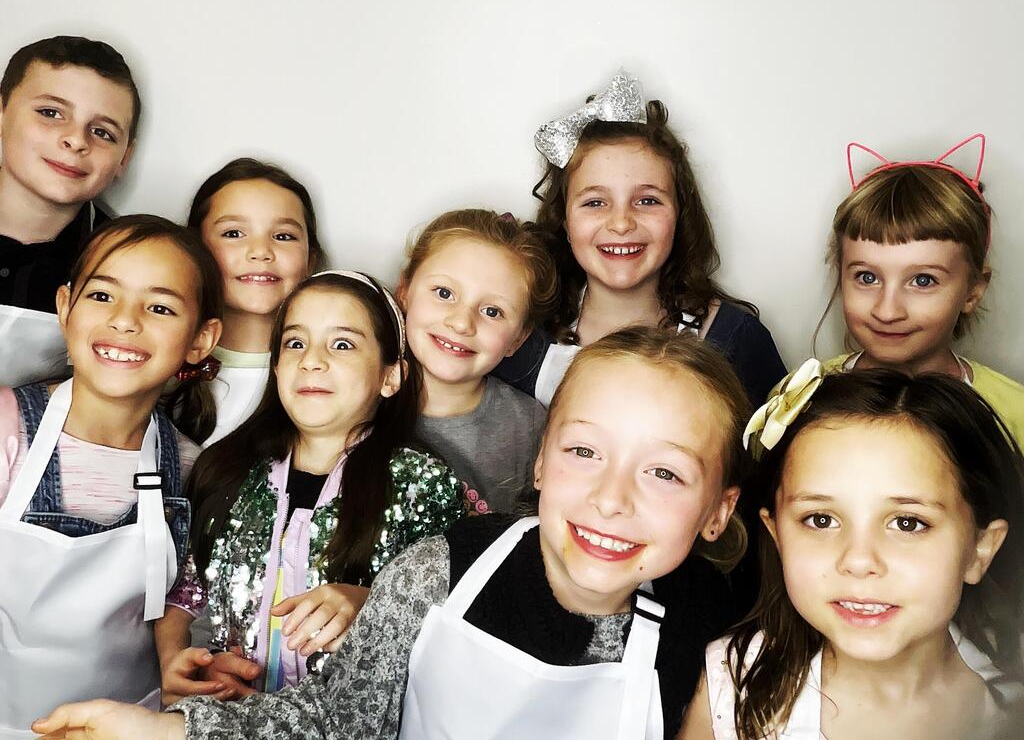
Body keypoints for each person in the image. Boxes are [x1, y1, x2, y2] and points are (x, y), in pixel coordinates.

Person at [35, 326, 751, 740]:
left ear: (719, 510)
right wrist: (162, 731)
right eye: (584, 452)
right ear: (540, 459)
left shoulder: (714, 636)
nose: (610, 498)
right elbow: (332, 721)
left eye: (664, 474)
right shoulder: (438, 570)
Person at [156, 271, 464, 703]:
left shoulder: (423, 485)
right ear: (277, 365)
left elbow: (454, 617)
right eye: (296, 343)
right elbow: (186, 592)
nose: (312, 360)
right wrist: (182, 660)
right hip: (232, 720)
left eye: (342, 344)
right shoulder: (225, 470)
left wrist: (371, 600)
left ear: (390, 376)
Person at [679, 365, 1024, 740]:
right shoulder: (732, 683)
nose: (858, 561)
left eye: (907, 523)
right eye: (821, 520)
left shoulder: (1008, 713)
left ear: (980, 549)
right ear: (777, 536)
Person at [0, 215, 222, 737]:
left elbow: (183, 597)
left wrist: (178, 661)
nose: (126, 321)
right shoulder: (7, 427)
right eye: (102, 296)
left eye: (160, 307)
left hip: (124, 725)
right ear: (64, 306)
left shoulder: (189, 467)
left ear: (201, 339)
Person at [495, 71, 785, 407]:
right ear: (564, 220)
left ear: (680, 212)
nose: (621, 223)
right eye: (595, 202)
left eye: (647, 200)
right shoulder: (521, 339)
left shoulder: (736, 340)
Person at [815, 134, 1024, 448]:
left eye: (923, 281)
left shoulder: (1012, 415)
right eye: (867, 277)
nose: (887, 311)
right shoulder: (800, 398)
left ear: (973, 291)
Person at [0, 36, 140, 387]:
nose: (76, 140)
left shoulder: (127, 264)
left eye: (103, 132)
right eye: (50, 113)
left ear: (125, 157)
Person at [399, 209, 556, 513]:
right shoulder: (357, 394)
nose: (461, 323)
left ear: (518, 339)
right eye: (444, 293)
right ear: (404, 291)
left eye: (493, 312)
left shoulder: (530, 428)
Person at [169, 158, 323, 446]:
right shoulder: (160, 359)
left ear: (309, 261)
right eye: (233, 234)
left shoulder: (323, 376)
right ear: (194, 250)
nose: (261, 252)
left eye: (283, 236)